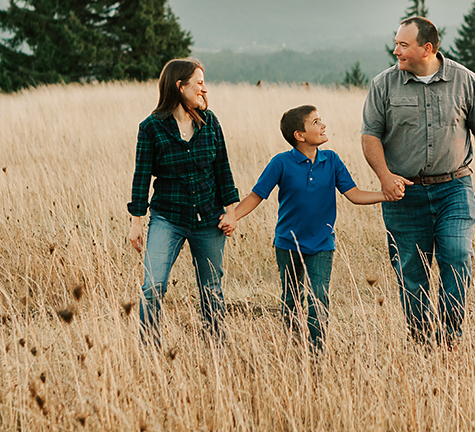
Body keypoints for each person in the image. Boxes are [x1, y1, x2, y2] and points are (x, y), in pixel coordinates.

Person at [360, 16, 475, 348]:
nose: (396, 51)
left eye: (403, 45)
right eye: (396, 43)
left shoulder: (465, 81)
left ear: (428, 48)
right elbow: (369, 137)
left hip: (454, 187)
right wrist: (385, 177)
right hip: (404, 195)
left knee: (457, 254)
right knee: (412, 271)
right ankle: (422, 342)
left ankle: (450, 338)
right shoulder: (383, 85)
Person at [234, 105, 391, 352]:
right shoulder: (281, 163)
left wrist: (385, 194)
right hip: (288, 243)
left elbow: (355, 194)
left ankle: (316, 352)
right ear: (300, 135)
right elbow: (256, 196)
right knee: (291, 299)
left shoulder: (332, 161)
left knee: (318, 298)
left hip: (321, 243)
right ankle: (294, 347)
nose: (323, 125)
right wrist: (233, 216)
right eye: (316, 122)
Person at [127, 58, 239, 344]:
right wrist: (136, 223)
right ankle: (149, 348)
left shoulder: (210, 122)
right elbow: (141, 177)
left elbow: (222, 169)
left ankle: (215, 347)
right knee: (153, 285)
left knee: (211, 287)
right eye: (199, 82)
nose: (204, 88)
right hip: (168, 217)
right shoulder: (151, 128)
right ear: (180, 86)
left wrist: (231, 212)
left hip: (209, 217)